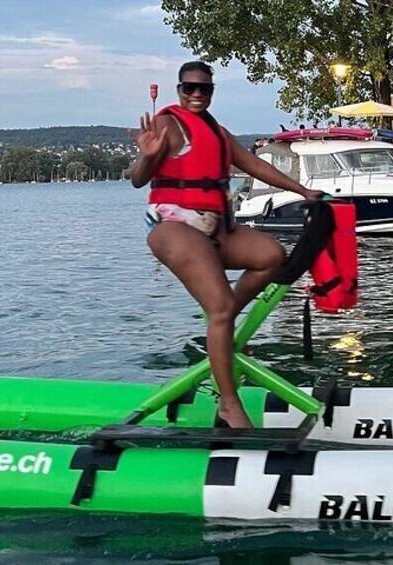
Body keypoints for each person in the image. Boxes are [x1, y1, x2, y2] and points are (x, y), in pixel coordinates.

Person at [131, 61, 324, 427]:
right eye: (189, 87)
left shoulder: (217, 131)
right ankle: (229, 403)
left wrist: (301, 190)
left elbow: (253, 164)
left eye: (204, 89)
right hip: (173, 225)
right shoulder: (166, 124)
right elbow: (138, 180)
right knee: (218, 308)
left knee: (271, 256)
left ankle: (223, 322)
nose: (196, 94)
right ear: (179, 89)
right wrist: (147, 153)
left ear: (212, 92)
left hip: (216, 225)